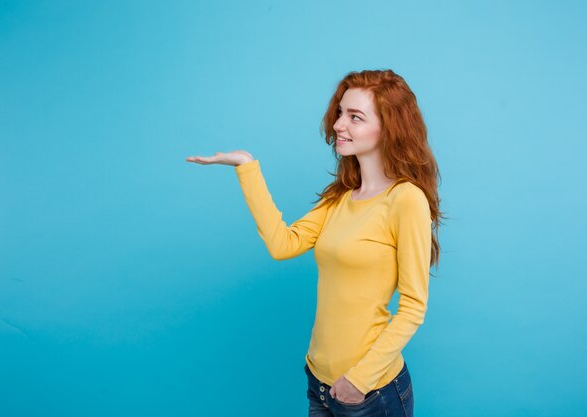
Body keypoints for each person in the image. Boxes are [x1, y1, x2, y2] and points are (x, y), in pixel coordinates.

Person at [186, 69, 443, 417]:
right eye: (340, 112)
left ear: (389, 127)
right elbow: (283, 245)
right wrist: (246, 167)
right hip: (319, 384)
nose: (339, 124)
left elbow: (413, 307)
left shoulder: (406, 200)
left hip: (369, 392)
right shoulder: (339, 199)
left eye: (355, 117)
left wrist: (358, 380)